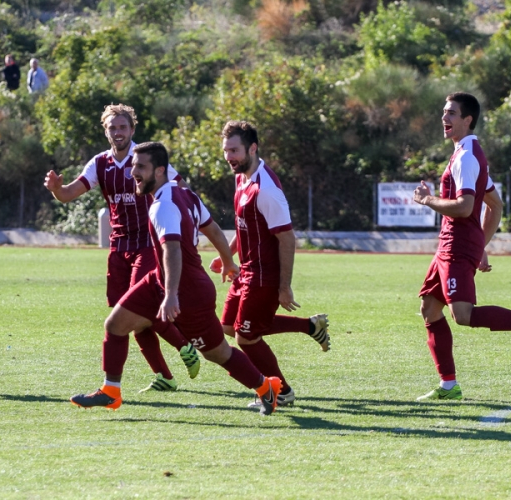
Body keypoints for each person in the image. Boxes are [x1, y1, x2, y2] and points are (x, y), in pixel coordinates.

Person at [69, 142, 283, 415]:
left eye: (140, 167)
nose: (133, 172)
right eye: (133, 166)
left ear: (160, 171)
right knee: (115, 324)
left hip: (189, 292)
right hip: (160, 280)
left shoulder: (163, 206)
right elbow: (213, 229)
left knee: (217, 353)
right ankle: (111, 391)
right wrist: (228, 261)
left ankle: (266, 387)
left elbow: (172, 250)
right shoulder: (185, 194)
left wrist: (171, 295)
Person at [412, 92, 511, 401]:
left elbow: (465, 206)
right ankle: (448, 386)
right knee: (429, 308)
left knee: (464, 315)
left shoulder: (467, 157)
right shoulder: (467, 152)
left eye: (452, 113)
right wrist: (479, 245)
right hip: (452, 246)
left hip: (456, 246)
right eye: (444, 112)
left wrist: (428, 200)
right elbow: (494, 205)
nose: (445, 118)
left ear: (467, 119)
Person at [44, 104, 200, 392]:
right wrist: (55, 188)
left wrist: (194, 221)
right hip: (118, 247)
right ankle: (164, 376)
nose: (117, 132)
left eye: (122, 127)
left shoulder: (145, 159)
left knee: (135, 307)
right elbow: (68, 194)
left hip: (148, 245)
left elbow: (181, 189)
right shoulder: (99, 164)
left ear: (132, 129)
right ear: (105, 131)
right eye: (112, 127)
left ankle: (183, 346)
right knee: (131, 317)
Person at [208, 121, 329, 409]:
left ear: (253, 148)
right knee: (227, 326)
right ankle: (310, 327)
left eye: (234, 150)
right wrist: (227, 255)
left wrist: (283, 287)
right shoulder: (241, 178)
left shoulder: (266, 190)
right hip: (245, 270)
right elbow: (244, 226)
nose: (229, 157)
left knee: (246, 337)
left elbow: (287, 239)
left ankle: (281, 391)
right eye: (226, 150)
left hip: (264, 275)